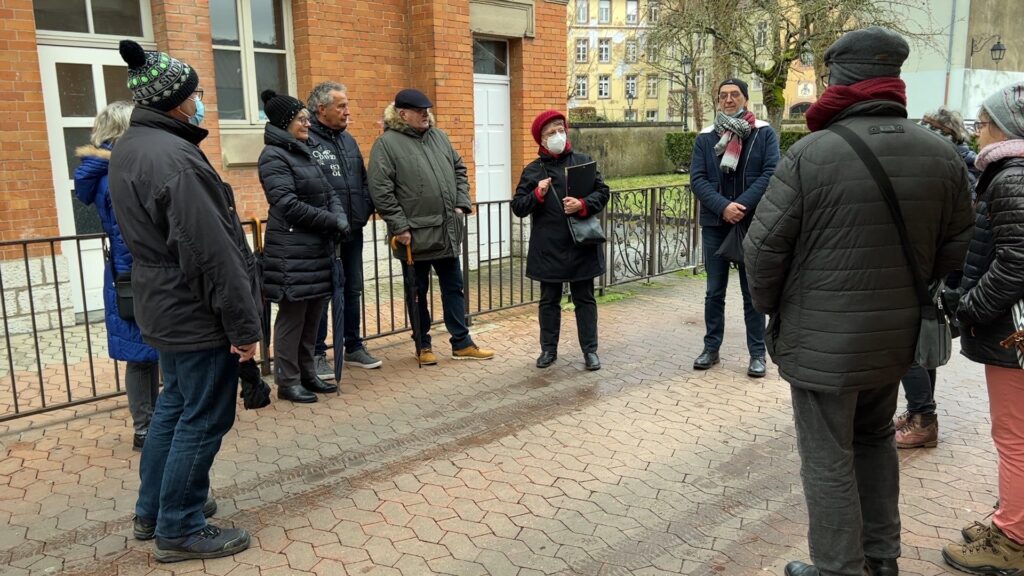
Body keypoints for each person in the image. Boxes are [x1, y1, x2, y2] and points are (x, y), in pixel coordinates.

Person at [742, 27, 974, 576]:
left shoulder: (811, 155)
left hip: (823, 343)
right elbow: (956, 246)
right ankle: (881, 559)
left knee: (827, 457)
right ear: (893, 80)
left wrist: (780, 310)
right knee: (875, 440)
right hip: (894, 340)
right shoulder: (941, 154)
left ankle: (837, 568)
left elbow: (762, 252)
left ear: (840, 80)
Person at [109, 40, 262, 562]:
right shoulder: (175, 159)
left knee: (174, 406)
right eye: (196, 92)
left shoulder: (135, 145)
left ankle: (154, 509)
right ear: (175, 100)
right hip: (193, 308)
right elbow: (212, 253)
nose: (201, 100)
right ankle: (179, 525)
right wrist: (243, 326)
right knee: (203, 415)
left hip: (166, 303)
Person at [940, 82, 1024, 575]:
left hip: (1014, 334)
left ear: (1006, 128)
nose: (977, 132)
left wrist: (968, 307)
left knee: (1012, 435)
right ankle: (1010, 517)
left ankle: (1012, 539)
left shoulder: (1012, 177)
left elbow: (1015, 265)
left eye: (983, 122)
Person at [368, 88, 494, 364]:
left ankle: (461, 342)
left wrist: (462, 203)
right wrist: (399, 227)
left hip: (446, 229)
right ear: (403, 114)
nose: (426, 114)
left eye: (427, 109)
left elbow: (459, 170)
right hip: (413, 235)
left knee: (454, 288)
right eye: (419, 110)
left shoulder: (439, 137)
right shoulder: (387, 144)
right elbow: (380, 190)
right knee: (417, 293)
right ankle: (423, 345)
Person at [73, 100, 160, 451]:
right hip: (137, 272)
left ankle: (148, 423)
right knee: (144, 354)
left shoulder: (103, 170)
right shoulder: (117, 173)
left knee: (142, 353)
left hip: (125, 274)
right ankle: (148, 426)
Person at [893, 106, 977, 450]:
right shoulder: (955, 162)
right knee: (922, 341)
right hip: (933, 269)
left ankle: (924, 418)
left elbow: (957, 225)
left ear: (941, 132)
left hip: (929, 270)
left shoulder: (949, 165)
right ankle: (919, 413)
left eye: (927, 126)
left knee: (906, 344)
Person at [258, 89, 349, 403]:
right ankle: (288, 380)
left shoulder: (304, 150)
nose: (307, 124)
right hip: (291, 251)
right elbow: (286, 203)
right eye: (301, 119)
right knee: (293, 317)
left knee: (313, 316)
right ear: (285, 123)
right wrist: (330, 221)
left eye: (308, 119)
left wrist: (339, 215)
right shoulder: (274, 156)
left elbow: (329, 191)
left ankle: (307, 373)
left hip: (315, 249)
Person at [689, 77, 780, 378]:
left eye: (734, 94)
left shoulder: (763, 133)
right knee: (714, 291)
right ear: (718, 100)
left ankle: (757, 354)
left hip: (751, 222)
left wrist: (740, 206)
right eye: (723, 95)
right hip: (716, 223)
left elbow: (770, 173)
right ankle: (711, 348)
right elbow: (698, 179)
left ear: (744, 98)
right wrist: (722, 207)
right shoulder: (705, 137)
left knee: (750, 292)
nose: (728, 99)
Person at [511, 110, 609, 371]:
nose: (557, 135)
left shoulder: (582, 161)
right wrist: (537, 193)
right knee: (548, 301)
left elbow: (603, 192)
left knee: (585, 299)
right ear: (541, 140)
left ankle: (590, 351)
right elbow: (518, 207)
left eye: (560, 129)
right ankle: (548, 350)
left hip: (581, 245)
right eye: (550, 133)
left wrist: (583, 204)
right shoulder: (533, 171)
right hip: (549, 247)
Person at [306, 81, 381, 377]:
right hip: (323, 233)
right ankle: (316, 353)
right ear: (321, 109)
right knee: (324, 292)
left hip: (353, 230)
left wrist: (363, 211)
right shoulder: (307, 140)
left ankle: (353, 345)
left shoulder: (348, 140)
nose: (348, 111)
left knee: (353, 288)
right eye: (341, 106)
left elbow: (362, 181)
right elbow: (310, 187)